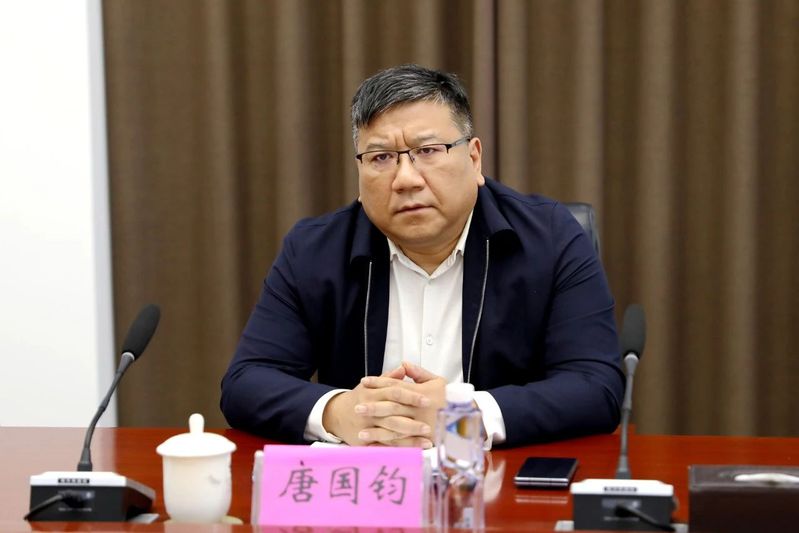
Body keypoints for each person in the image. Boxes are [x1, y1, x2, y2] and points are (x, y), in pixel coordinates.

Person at [221, 64, 624, 448]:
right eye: (381, 157)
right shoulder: (315, 250)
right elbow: (246, 382)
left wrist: (461, 418)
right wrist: (339, 412)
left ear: (474, 158)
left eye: (428, 150)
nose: (406, 179)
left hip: (495, 481)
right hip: (372, 484)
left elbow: (597, 387)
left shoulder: (549, 238)